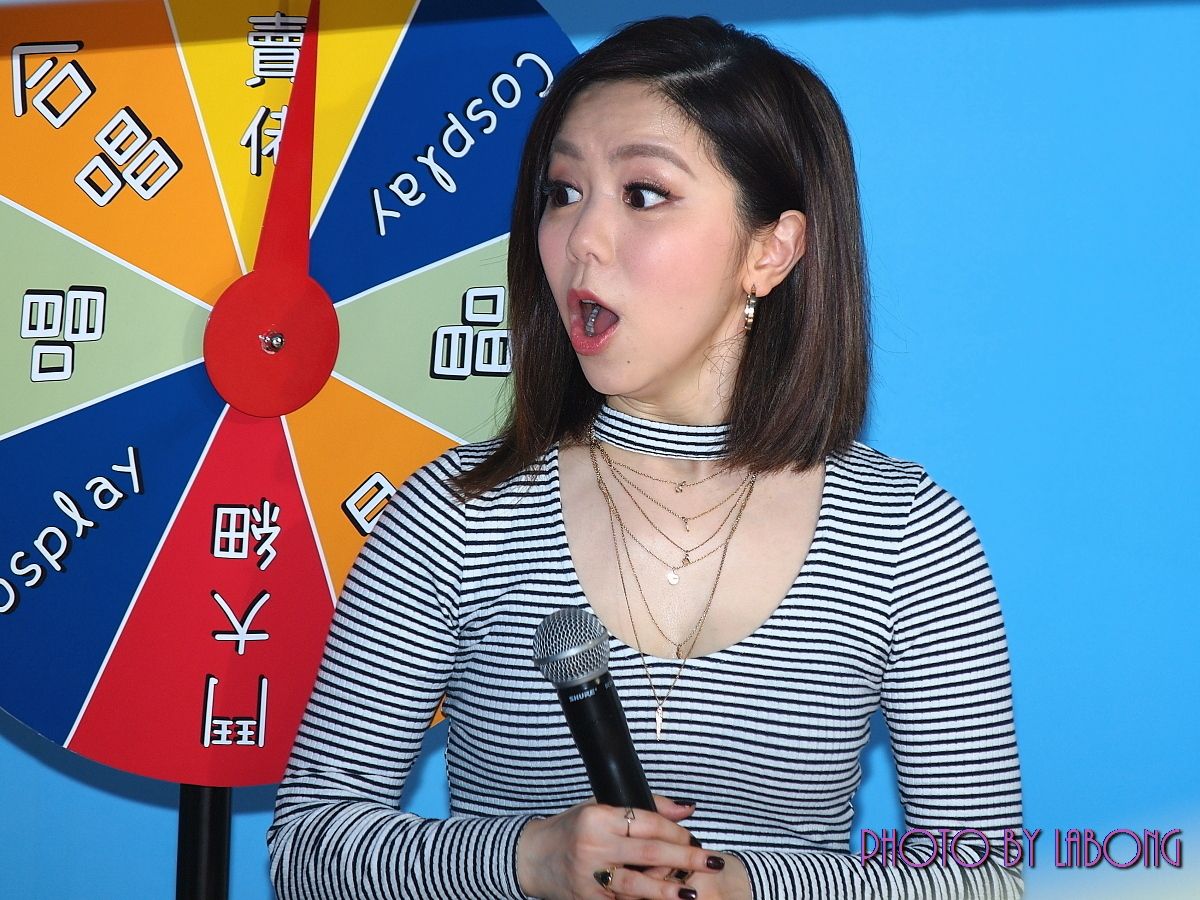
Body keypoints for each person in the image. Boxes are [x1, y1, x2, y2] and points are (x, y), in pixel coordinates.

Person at [268, 16, 1022, 900]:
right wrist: (529, 860)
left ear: (770, 250)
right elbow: (305, 847)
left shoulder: (905, 534)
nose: (582, 239)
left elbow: (981, 879)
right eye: (562, 192)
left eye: (643, 193)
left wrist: (740, 886)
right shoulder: (457, 513)